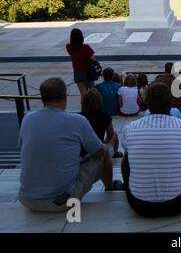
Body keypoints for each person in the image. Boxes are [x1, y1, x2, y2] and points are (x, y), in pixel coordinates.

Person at [19, 78, 122, 213]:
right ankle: (110, 188)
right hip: (61, 201)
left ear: (42, 98)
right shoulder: (76, 121)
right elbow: (100, 151)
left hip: (27, 199)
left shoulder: (28, 118)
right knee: (105, 154)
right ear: (65, 97)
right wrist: (110, 144)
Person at [121, 83, 181, 218]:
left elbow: (126, 148)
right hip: (179, 203)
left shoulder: (130, 129)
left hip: (139, 205)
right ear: (170, 103)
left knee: (128, 154)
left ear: (146, 103)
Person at [79, 88, 123, 158]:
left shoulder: (79, 116)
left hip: (82, 151)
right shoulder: (104, 116)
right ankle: (115, 153)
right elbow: (110, 135)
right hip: (97, 150)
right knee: (114, 134)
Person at [66, 28, 95, 100]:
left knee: (83, 93)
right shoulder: (86, 47)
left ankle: (84, 109)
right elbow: (93, 59)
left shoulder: (69, 47)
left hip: (78, 72)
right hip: (89, 71)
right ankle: (94, 107)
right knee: (93, 92)